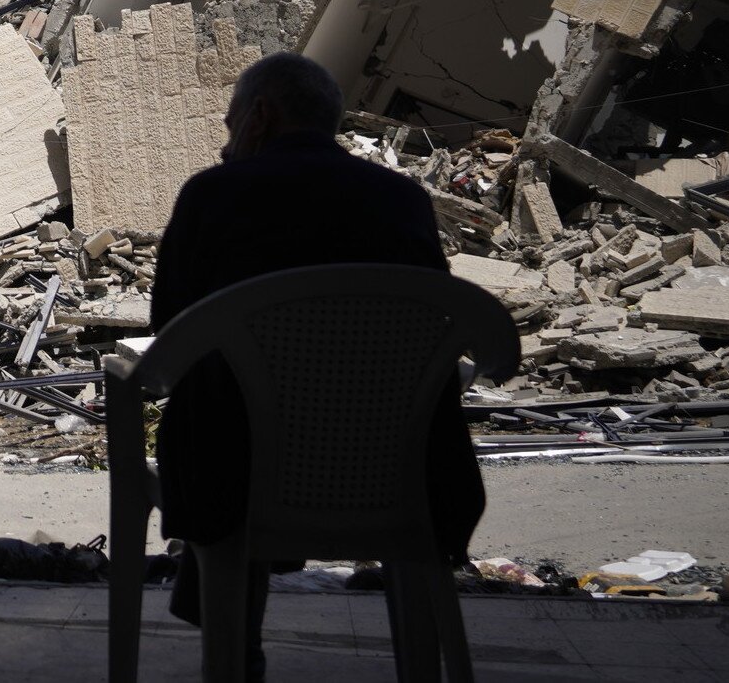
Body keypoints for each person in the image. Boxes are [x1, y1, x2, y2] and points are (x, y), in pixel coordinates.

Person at [149, 52, 481, 680]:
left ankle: (233, 647)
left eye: (228, 125)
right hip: (398, 470)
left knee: (224, 412)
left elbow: (172, 334)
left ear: (258, 118)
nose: (225, 144)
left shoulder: (212, 195)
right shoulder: (404, 200)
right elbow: (434, 324)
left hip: (239, 478)